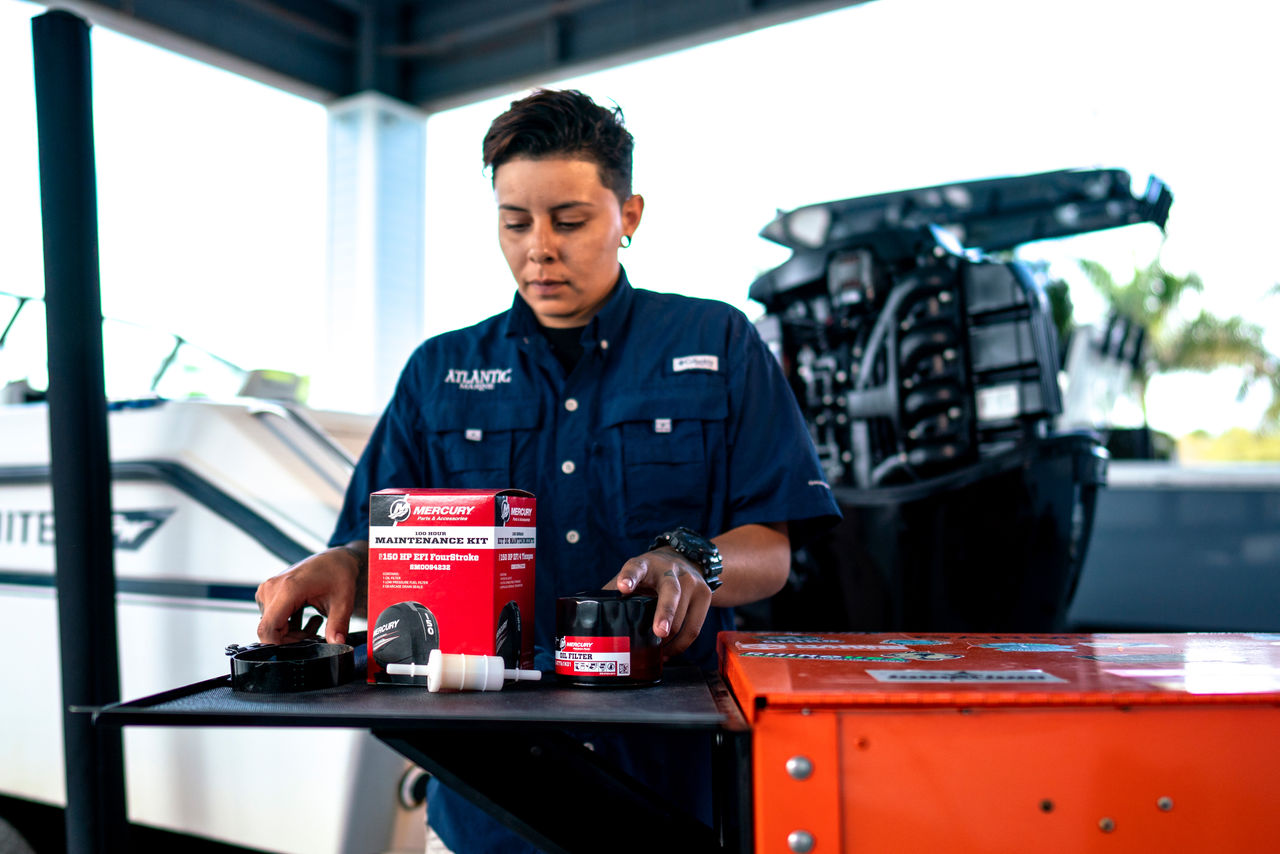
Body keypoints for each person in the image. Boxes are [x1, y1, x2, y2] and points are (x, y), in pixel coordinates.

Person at [256, 88, 840, 853]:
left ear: (628, 215)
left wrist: (693, 560)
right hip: (488, 799)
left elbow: (772, 547)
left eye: (569, 221)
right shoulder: (439, 372)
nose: (540, 248)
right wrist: (341, 564)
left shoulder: (718, 342)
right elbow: (382, 559)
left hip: (673, 789)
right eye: (514, 221)